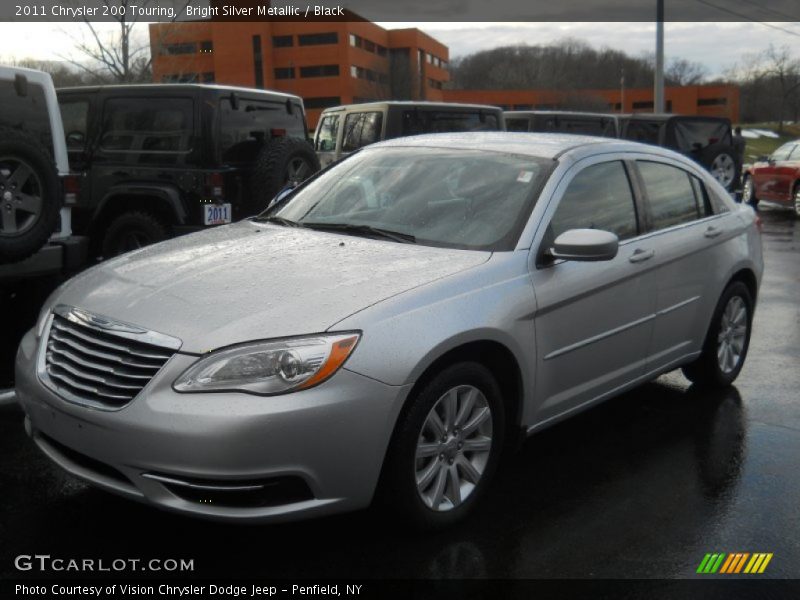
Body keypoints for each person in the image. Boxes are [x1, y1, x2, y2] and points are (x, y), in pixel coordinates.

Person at [732, 126, 746, 194]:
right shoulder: (743, 139)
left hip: (735, 157)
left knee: (735, 171)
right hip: (741, 157)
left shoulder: (735, 138)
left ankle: (736, 186)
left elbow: (733, 147)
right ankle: (739, 185)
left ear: (735, 131)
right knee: (739, 172)